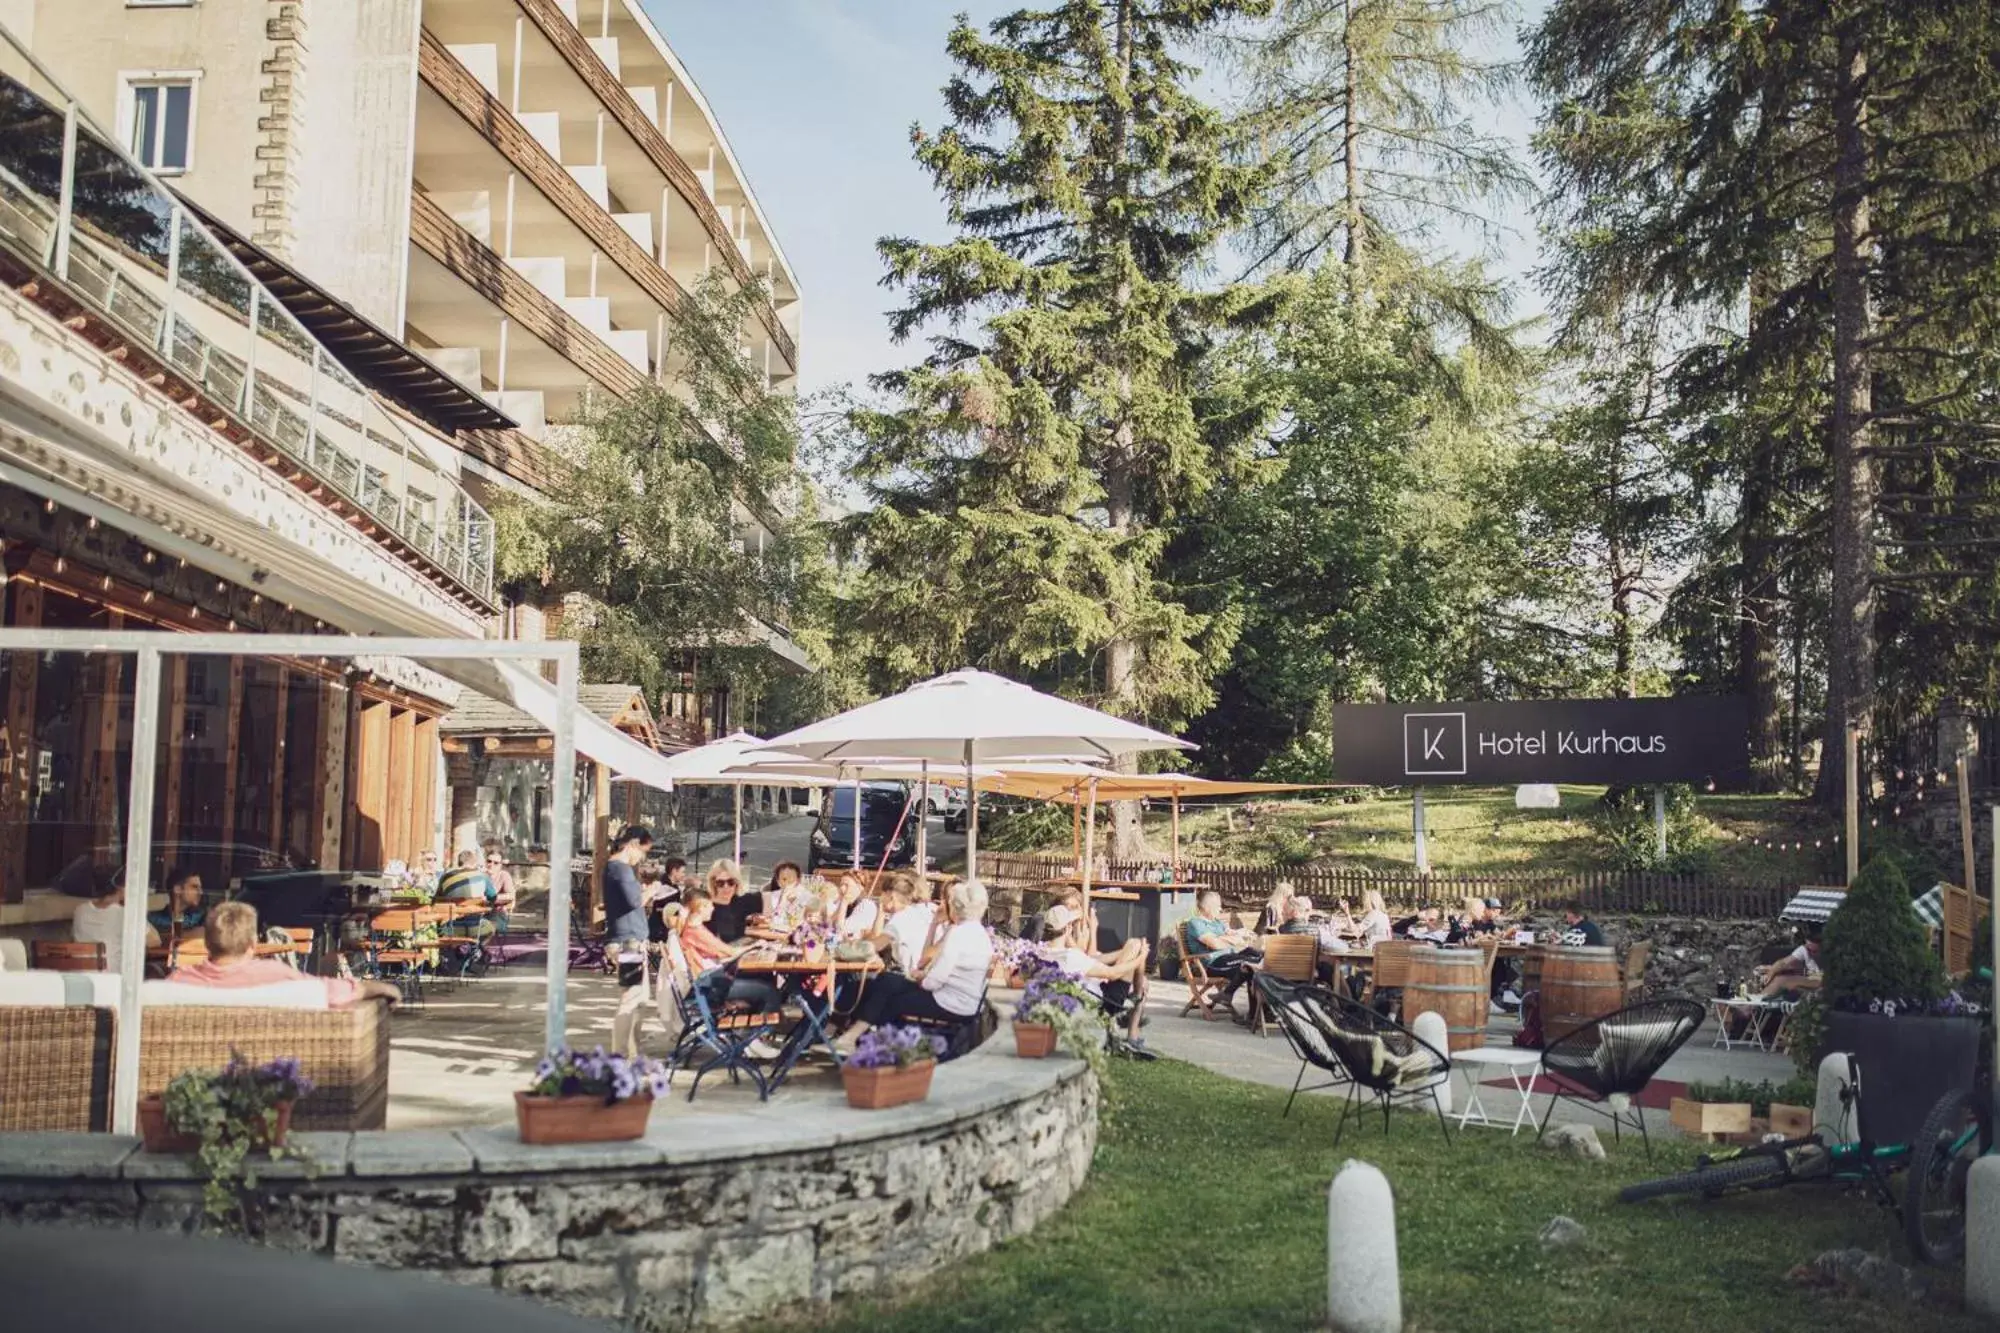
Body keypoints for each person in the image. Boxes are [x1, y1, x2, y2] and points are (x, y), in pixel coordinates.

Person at [845, 879, 994, 1038]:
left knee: (893, 1001)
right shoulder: (981, 935)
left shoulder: (957, 934)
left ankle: (872, 1043)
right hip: (966, 1004)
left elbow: (935, 981)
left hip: (950, 1004)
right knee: (888, 982)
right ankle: (858, 1038)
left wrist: (921, 979)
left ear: (955, 906)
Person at [172, 902, 397, 1007]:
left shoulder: (179, 981)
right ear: (253, 944)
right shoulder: (274, 975)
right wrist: (382, 988)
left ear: (207, 944)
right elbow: (329, 990)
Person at [675, 887, 784, 1021]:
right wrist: (754, 945)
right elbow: (728, 953)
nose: (713, 909)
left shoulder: (692, 928)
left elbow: (722, 952)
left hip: (709, 981)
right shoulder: (697, 932)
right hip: (712, 987)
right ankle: (758, 1035)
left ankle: (753, 1026)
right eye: (709, 906)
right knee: (769, 991)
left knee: (763, 977)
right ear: (701, 907)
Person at [1054, 908, 1151, 1043]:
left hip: (1092, 996)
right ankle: (1135, 1018)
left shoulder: (1044, 951)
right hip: (1103, 1003)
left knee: (1134, 945)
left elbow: (1093, 959)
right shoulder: (1070, 955)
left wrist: (1128, 952)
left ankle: (1136, 1004)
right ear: (1068, 928)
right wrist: (1140, 958)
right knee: (1136, 945)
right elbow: (1112, 974)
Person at [603, 826, 654, 1056]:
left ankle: (632, 1052)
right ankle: (622, 1054)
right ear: (633, 844)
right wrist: (652, 890)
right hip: (629, 941)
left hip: (629, 938)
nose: (642, 858)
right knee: (630, 999)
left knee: (639, 999)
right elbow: (634, 901)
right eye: (643, 852)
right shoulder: (621, 869)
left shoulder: (614, 869)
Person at [1183, 890, 1264, 1017]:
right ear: (1207, 907)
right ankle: (1251, 1013)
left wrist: (1236, 935)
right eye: (1217, 906)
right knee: (1249, 965)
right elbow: (1215, 945)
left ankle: (1229, 995)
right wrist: (1232, 939)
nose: (1220, 909)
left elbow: (1234, 934)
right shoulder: (1196, 923)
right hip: (1215, 963)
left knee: (1256, 955)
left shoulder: (1217, 922)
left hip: (1229, 958)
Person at [72, 875, 157, 973]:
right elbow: (155, 940)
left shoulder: (79, 910)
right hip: (113, 981)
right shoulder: (123, 914)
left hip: (82, 978)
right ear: (120, 888)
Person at [884, 872, 940, 973]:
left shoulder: (903, 916)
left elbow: (878, 945)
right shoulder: (935, 909)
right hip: (933, 973)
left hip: (911, 976)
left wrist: (880, 909)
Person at [703, 860, 766, 943]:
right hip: (720, 953)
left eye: (731, 882)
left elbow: (775, 899)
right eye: (720, 883)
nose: (726, 887)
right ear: (713, 883)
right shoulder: (705, 906)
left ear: (736, 882)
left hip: (740, 950)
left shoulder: (742, 900)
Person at [147, 867, 206, 939]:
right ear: (178, 889)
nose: (201, 892)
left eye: (200, 888)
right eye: (194, 887)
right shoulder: (153, 919)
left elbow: (204, 935)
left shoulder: (200, 917)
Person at [1755, 934, 1822, 999]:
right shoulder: (1805, 949)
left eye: (1814, 951)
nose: (1809, 953)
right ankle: (1759, 998)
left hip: (1823, 981)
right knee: (1772, 971)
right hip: (1812, 976)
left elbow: (1819, 980)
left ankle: (1759, 1002)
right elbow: (1783, 962)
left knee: (1783, 980)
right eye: (1808, 949)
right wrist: (1771, 972)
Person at [647, 857, 689, 943]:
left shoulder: (672, 886)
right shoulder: (664, 887)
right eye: (682, 872)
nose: (684, 874)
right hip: (660, 930)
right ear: (674, 871)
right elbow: (667, 910)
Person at [483, 847, 516, 934]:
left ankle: (477, 946)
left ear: (501, 865)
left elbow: (511, 896)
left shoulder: (504, 876)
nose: (491, 864)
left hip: (496, 914)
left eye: (496, 863)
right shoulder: (480, 875)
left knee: (481, 928)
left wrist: (491, 898)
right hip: (478, 913)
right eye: (489, 861)